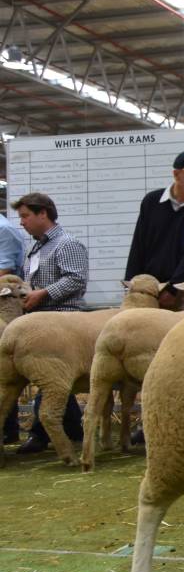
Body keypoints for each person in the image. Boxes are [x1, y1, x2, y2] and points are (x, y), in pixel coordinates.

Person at [6, 193, 87, 454]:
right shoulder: (36, 248)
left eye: (26, 216)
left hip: (64, 322)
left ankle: (41, 434)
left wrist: (43, 293)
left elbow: (77, 279)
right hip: (42, 324)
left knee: (49, 378)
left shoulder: (67, 244)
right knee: (56, 381)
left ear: (43, 214)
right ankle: (75, 431)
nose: (22, 223)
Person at [125, 150, 184, 311]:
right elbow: (138, 244)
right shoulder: (151, 201)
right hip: (149, 288)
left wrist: (173, 288)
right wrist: (131, 284)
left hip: (183, 290)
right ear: (176, 175)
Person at [0, 214, 26, 445]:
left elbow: (4, 271)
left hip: (5, 307)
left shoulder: (3, 230)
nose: (22, 220)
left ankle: (8, 428)